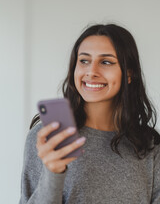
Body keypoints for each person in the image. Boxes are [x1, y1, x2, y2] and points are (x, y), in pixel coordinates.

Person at [19, 24, 160, 204]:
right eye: (84, 61)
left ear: (129, 74)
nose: (91, 72)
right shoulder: (49, 138)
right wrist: (53, 173)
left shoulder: (150, 146)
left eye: (106, 62)